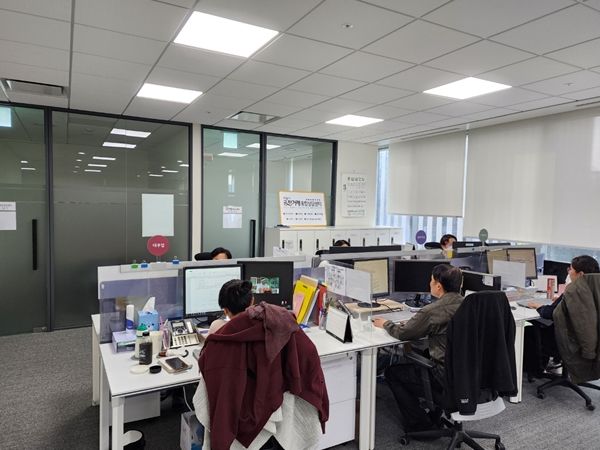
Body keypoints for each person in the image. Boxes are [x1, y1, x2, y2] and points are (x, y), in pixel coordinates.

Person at [197, 281, 329, 450]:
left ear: (225, 311)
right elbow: (309, 357)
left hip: (240, 416)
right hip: (279, 412)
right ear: (252, 301)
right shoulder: (281, 321)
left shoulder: (219, 338)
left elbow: (210, 375)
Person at [372, 264, 463, 434]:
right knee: (421, 353)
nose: (429, 283)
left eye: (431, 280)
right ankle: (433, 414)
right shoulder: (470, 306)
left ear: (438, 286)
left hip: (443, 377)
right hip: (470, 375)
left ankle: (420, 425)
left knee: (393, 373)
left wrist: (385, 323)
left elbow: (403, 333)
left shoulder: (432, 311)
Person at [524, 255, 600, 378]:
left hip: (569, 342)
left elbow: (551, 313)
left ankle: (536, 370)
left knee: (530, 330)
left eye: (571, 269)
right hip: (589, 341)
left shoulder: (575, 290)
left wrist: (538, 306)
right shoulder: (594, 287)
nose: (568, 272)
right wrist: (560, 300)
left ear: (580, 274)